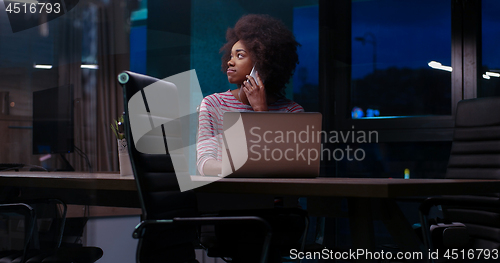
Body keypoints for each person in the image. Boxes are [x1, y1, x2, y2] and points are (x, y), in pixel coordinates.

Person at [197, 14, 304, 176]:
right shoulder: (213, 104)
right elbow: (204, 163)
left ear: (262, 61)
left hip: (274, 199)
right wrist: (247, 168)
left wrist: (261, 111)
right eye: (231, 55)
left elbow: (289, 167)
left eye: (240, 55)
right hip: (231, 196)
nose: (230, 62)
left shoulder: (292, 112)